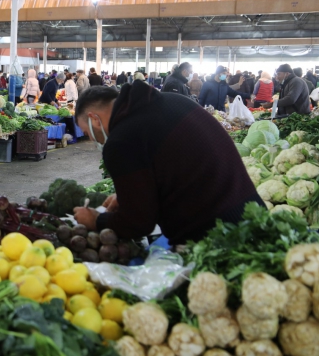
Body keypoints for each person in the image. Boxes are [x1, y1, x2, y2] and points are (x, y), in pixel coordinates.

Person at [72, 83, 263, 246]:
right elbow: (177, 167)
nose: (93, 140)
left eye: (87, 133)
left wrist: (97, 220)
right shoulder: (173, 100)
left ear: (94, 120)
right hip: (254, 216)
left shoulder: (121, 140)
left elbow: (138, 223)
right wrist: (130, 194)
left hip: (215, 238)